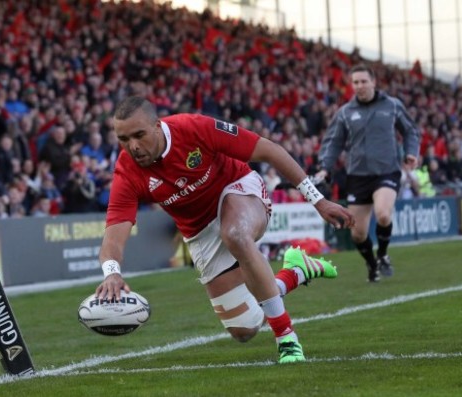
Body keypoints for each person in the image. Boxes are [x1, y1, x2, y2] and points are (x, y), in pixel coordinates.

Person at [95, 96, 354, 364]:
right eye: (123, 139)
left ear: (157, 126)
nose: (133, 146)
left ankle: (286, 337)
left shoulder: (193, 128)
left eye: (139, 135)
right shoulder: (127, 172)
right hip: (199, 230)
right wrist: (111, 273)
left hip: (238, 190)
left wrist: (318, 200)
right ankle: (296, 272)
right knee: (245, 328)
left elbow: (269, 150)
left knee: (236, 234)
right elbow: (114, 231)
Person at [316, 64, 421, 282]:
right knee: (358, 233)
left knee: (383, 214)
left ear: (373, 82)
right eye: (356, 82)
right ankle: (372, 265)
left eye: (364, 81)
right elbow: (333, 142)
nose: (360, 86)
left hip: (387, 171)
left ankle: (383, 255)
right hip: (357, 177)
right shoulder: (345, 112)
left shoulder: (392, 106)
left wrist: (411, 153)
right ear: (351, 85)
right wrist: (325, 166)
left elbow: (410, 130)